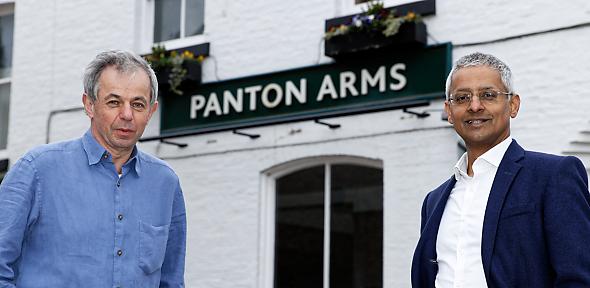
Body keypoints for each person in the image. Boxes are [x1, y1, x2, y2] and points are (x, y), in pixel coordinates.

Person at [0, 50, 186, 287]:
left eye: (138, 104)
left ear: (151, 111)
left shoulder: (165, 184)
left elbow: (171, 280)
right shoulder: (37, 170)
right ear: (89, 105)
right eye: (114, 102)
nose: (127, 114)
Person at [411, 52, 590, 287]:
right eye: (462, 98)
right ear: (449, 112)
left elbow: (579, 278)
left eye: (488, 95)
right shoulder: (433, 201)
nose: (475, 106)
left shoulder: (553, 175)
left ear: (513, 105)